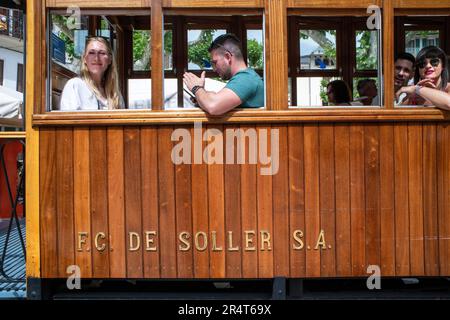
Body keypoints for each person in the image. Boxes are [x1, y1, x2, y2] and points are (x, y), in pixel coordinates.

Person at [183, 33, 264, 116]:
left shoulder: (246, 79)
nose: (214, 69)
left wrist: (196, 88)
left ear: (228, 57)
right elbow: (215, 99)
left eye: (215, 62)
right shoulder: (246, 78)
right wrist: (202, 98)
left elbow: (213, 106)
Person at [60, 36, 124, 111]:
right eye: (91, 53)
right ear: (84, 59)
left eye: (102, 53)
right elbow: (68, 120)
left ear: (110, 59)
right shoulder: (75, 85)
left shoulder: (115, 94)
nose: (96, 58)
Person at [397, 46, 450, 111]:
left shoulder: (448, 88)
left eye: (434, 62)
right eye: (422, 63)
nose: (428, 66)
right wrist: (411, 98)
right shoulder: (412, 91)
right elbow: (401, 115)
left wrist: (417, 89)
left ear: (443, 66)